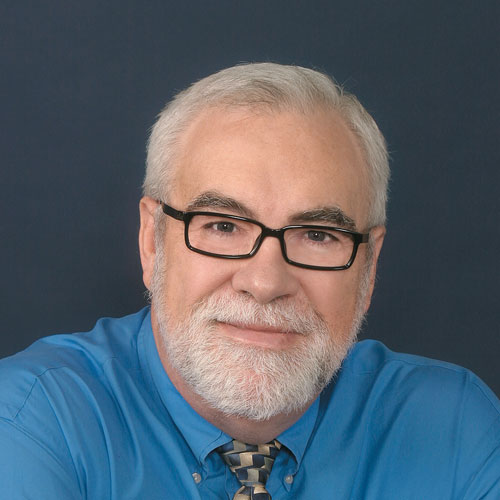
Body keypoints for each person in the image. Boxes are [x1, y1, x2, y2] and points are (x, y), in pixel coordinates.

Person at [0, 63, 499, 500]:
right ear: (152, 241)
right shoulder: (31, 421)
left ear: (369, 267)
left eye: (317, 235)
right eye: (223, 226)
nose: (265, 282)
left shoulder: (455, 430)